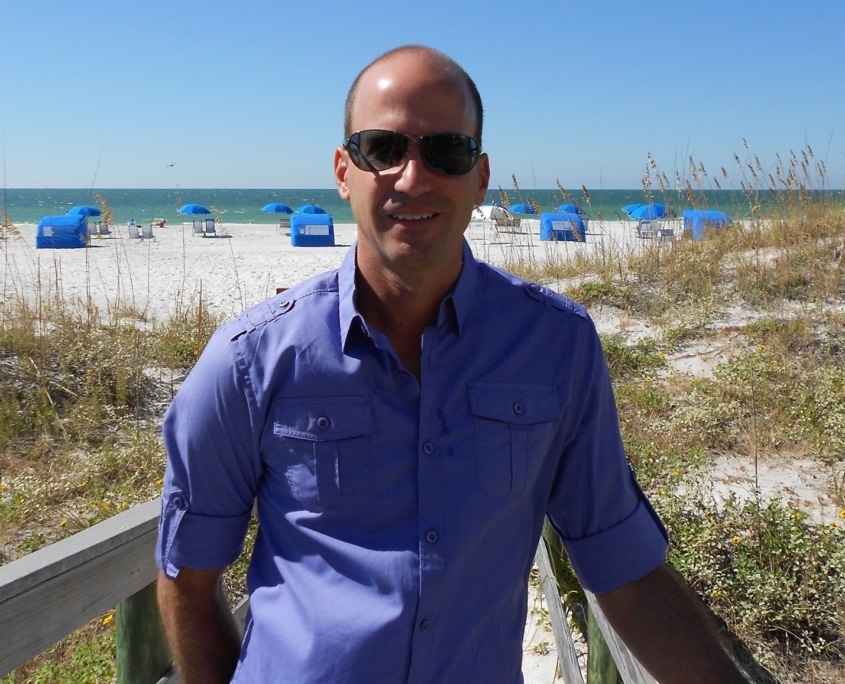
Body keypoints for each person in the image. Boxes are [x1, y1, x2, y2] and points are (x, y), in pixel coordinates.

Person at [155, 45, 750, 683]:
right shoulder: (251, 359)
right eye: (383, 149)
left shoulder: (555, 347)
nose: (413, 177)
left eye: (446, 152)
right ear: (343, 170)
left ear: (481, 176)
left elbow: (625, 574)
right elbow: (186, 582)